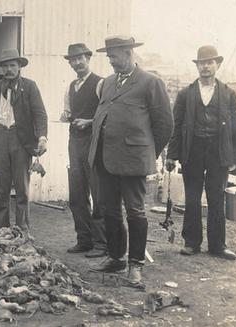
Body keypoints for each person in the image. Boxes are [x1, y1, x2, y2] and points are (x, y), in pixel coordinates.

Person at [88, 36, 173, 288]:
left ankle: (135, 265)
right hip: (105, 158)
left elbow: (165, 125)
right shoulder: (108, 82)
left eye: (114, 56)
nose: (110, 61)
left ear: (128, 54)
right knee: (110, 210)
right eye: (109, 56)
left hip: (133, 160)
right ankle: (116, 257)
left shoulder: (151, 82)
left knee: (135, 211)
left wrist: (147, 153)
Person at [166, 45, 236, 260]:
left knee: (216, 198)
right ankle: (191, 243)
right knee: (192, 198)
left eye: (210, 62)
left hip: (218, 153)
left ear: (217, 65)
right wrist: (172, 155)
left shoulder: (229, 94)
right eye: (202, 63)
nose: (206, 67)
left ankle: (218, 245)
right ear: (197, 66)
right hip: (192, 151)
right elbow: (177, 126)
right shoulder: (185, 94)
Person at [0, 49, 48, 234]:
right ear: (1, 69)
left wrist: (42, 137)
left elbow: (40, 114)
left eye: (12, 65)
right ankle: (1, 228)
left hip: (21, 139)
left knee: (21, 187)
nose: (9, 69)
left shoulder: (30, 86)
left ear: (19, 67)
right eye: (5, 66)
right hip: (0, 137)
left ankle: (21, 230)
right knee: (0, 187)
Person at [60, 43, 107, 258]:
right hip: (74, 144)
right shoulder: (70, 86)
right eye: (72, 60)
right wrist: (65, 116)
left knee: (97, 194)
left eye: (80, 58)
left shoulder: (100, 84)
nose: (77, 63)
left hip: (94, 143)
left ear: (88, 59)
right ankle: (84, 239)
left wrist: (89, 121)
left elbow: (108, 114)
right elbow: (67, 112)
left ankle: (101, 243)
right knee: (77, 194)